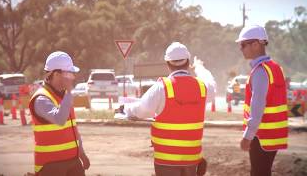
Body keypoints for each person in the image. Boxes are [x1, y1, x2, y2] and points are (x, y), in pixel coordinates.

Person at [118, 42, 216, 176]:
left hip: (166, 161)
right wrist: (199, 66)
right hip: (191, 160)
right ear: (188, 62)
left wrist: (126, 108)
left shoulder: (161, 88)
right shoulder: (202, 87)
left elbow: (142, 110)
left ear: (168, 64)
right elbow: (210, 82)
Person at [236, 25, 288, 176]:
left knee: (258, 173)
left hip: (261, 136)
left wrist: (247, 136)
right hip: (272, 136)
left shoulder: (260, 71)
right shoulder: (275, 68)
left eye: (243, 45)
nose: (241, 49)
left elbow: (257, 107)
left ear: (256, 44)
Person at [28, 51, 90, 176]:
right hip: (50, 166)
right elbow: (60, 119)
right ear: (56, 74)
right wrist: (69, 92)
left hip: (73, 162)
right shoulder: (41, 98)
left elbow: (73, 129)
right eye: (68, 73)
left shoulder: (63, 96)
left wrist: (81, 154)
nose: (72, 77)